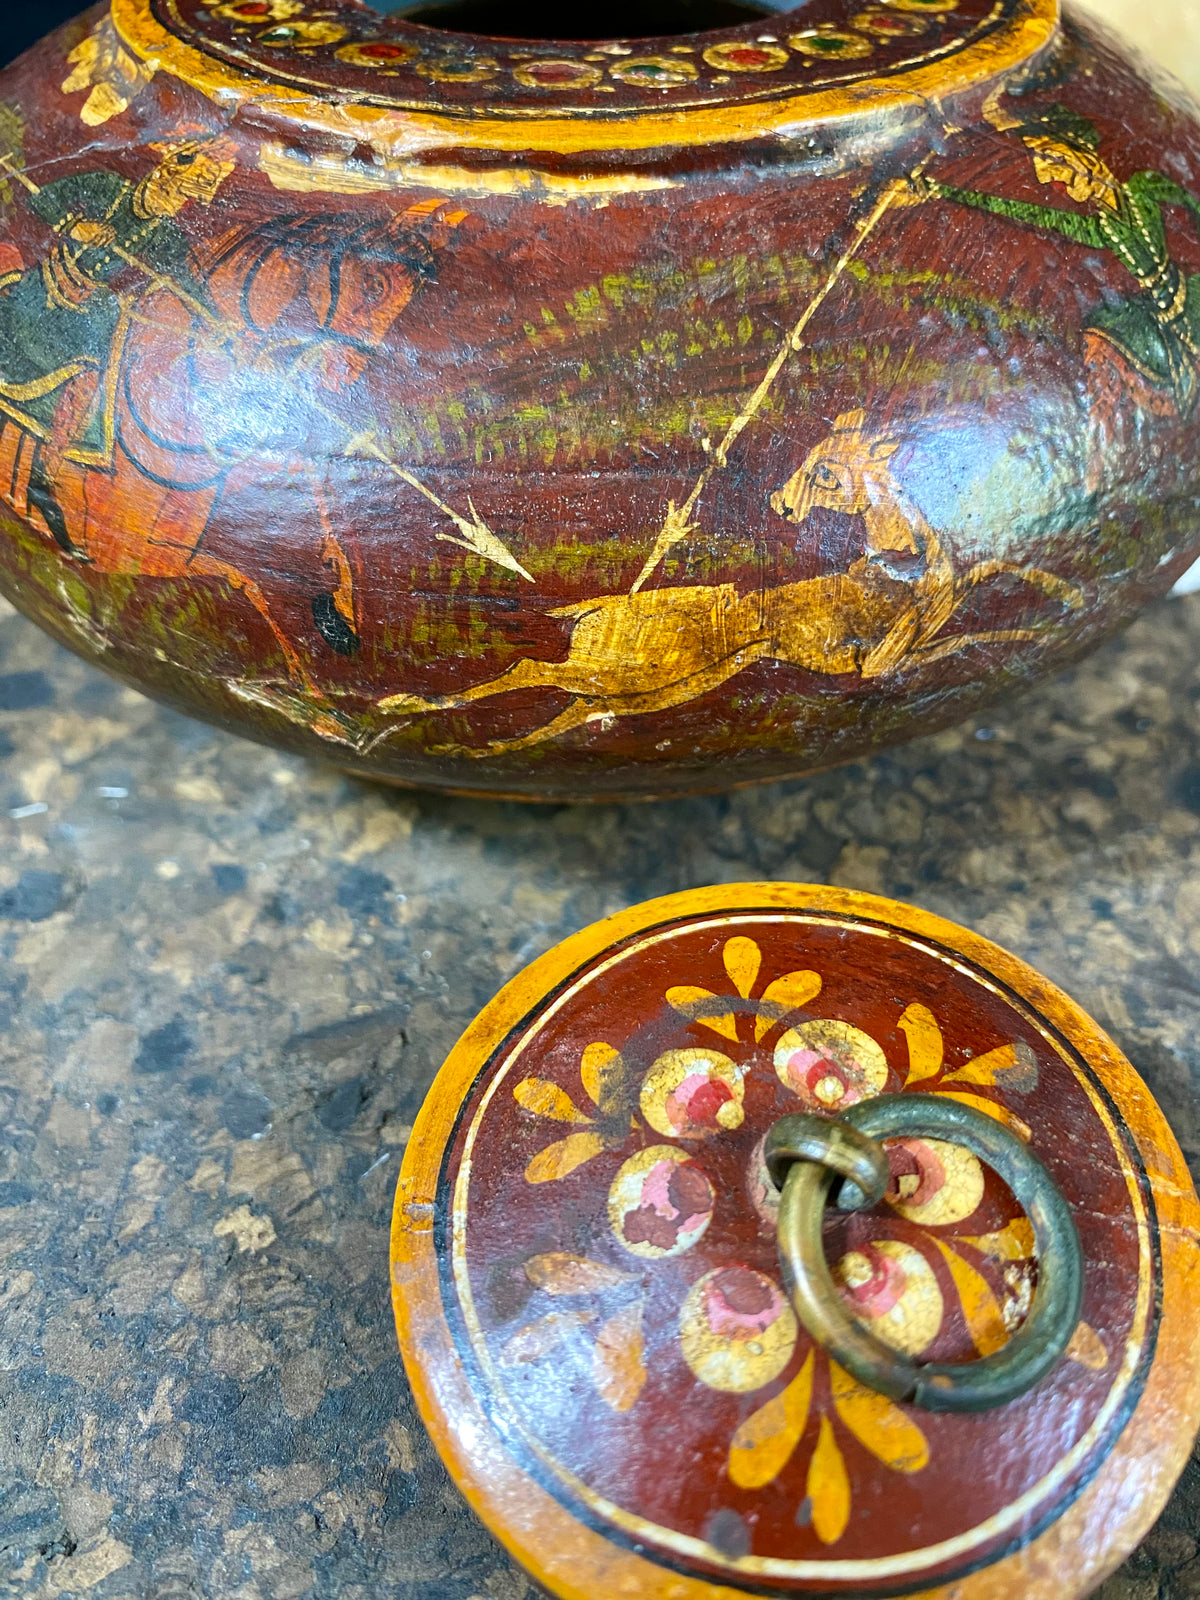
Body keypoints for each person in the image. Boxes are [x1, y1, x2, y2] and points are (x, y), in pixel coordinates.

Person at [0, 135, 235, 549]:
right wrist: (75, 226)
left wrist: (214, 320)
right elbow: (41, 199)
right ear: (162, 174)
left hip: (89, 313)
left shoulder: (167, 236)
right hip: (48, 289)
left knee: (92, 381)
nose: (175, 204)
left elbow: (185, 283)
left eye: (184, 202)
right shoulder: (107, 186)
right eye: (176, 191)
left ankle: (46, 477)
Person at [907, 103, 1200, 414]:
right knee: (1099, 335)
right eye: (1042, 169)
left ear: (1080, 149)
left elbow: (1189, 200)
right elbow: (1025, 212)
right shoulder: (1098, 228)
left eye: (1050, 159)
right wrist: (938, 188)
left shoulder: (1141, 187)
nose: (1048, 178)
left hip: (1188, 295)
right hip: (1156, 312)